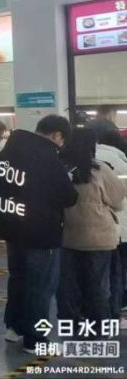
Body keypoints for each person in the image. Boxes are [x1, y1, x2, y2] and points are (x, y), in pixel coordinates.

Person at [0, 114, 78, 353]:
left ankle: (14, 327)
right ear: (57, 135)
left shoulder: (9, 151)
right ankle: (35, 339)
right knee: (41, 287)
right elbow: (69, 196)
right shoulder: (47, 156)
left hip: (12, 227)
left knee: (18, 280)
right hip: (41, 233)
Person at [57, 128, 125, 329]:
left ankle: (71, 322)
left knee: (69, 284)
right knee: (97, 285)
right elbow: (118, 199)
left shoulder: (60, 168)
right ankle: (99, 325)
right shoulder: (100, 169)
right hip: (99, 237)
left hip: (67, 235)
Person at [96, 131, 127, 325]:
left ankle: (100, 310)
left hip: (96, 228)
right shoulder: (121, 162)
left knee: (101, 272)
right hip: (120, 225)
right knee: (119, 270)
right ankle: (117, 307)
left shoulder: (88, 158)